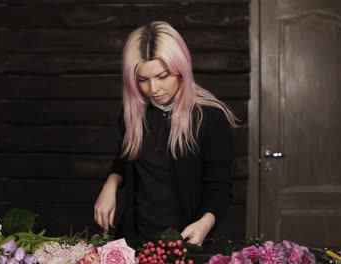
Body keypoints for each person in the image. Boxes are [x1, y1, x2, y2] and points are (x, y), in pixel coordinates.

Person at [94, 21, 237, 246]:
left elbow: (219, 187)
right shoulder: (132, 114)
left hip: (186, 242)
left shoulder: (210, 118)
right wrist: (110, 185)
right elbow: (125, 156)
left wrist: (205, 223)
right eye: (142, 79)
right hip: (135, 240)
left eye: (162, 76)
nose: (153, 89)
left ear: (181, 69)